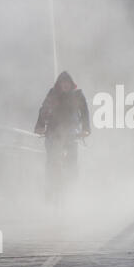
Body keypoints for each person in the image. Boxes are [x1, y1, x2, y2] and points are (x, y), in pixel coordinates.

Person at [35, 71, 90, 202]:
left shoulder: (78, 95)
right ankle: (49, 189)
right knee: (52, 161)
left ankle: (72, 186)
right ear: (58, 84)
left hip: (71, 133)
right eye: (62, 83)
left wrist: (86, 129)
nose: (64, 85)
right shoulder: (53, 94)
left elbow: (85, 113)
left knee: (72, 162)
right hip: (53, 132)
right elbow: (43, 110)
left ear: (71, 84)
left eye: (67, 83)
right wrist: (39, 126)